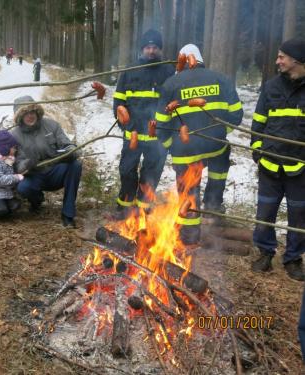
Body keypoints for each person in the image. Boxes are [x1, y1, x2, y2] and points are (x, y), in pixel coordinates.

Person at [155, 44, 243, 247]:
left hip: (185, 151)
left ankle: (190, 234)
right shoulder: (222, 79)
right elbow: (236, 116)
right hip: (216, 147)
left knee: (188, 191)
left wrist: (171, 145)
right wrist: (220, 134)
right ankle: (212, 214)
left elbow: (161, 123)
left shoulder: (171, 84)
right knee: (218, 173)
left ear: (183, 61)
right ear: (201, 60)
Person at [250, 38, 305, 281]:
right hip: (270, 166)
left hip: (300, 168)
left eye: (282, 57)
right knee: (265, 212)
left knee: (299, 216)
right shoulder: (271, 87)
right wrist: (257, 149)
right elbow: (258, 122)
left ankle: (293, 259)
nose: (277, 61)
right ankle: (265, 253)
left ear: (297, 60)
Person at [112, 29, 175, 219]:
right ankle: (125, 206)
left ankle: (144, 207)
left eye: (155, 47)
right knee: (127, 170)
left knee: (152, 173)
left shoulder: (168, 71)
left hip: (157, 137)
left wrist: (166, 132)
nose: (151, 51)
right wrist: (126, 126)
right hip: (133, 134)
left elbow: (173, 104)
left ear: (160, 50)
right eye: (147, 47)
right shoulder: (129, 71)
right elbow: (118, 102)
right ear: (141, 49)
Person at [11, 96, 82, 228]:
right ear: (20, 117)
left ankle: (68, 215)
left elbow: (67, 144)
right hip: (34, 176)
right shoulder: (14, 135)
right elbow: (16, 167)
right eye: (25, 113)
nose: (30, 116)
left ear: (37, 112)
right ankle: (37, 201)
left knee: (75, 165)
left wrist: (71, 152)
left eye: (32, 112)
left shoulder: (51, 125)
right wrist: (27, 164)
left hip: (55, 172)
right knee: (23, 187)